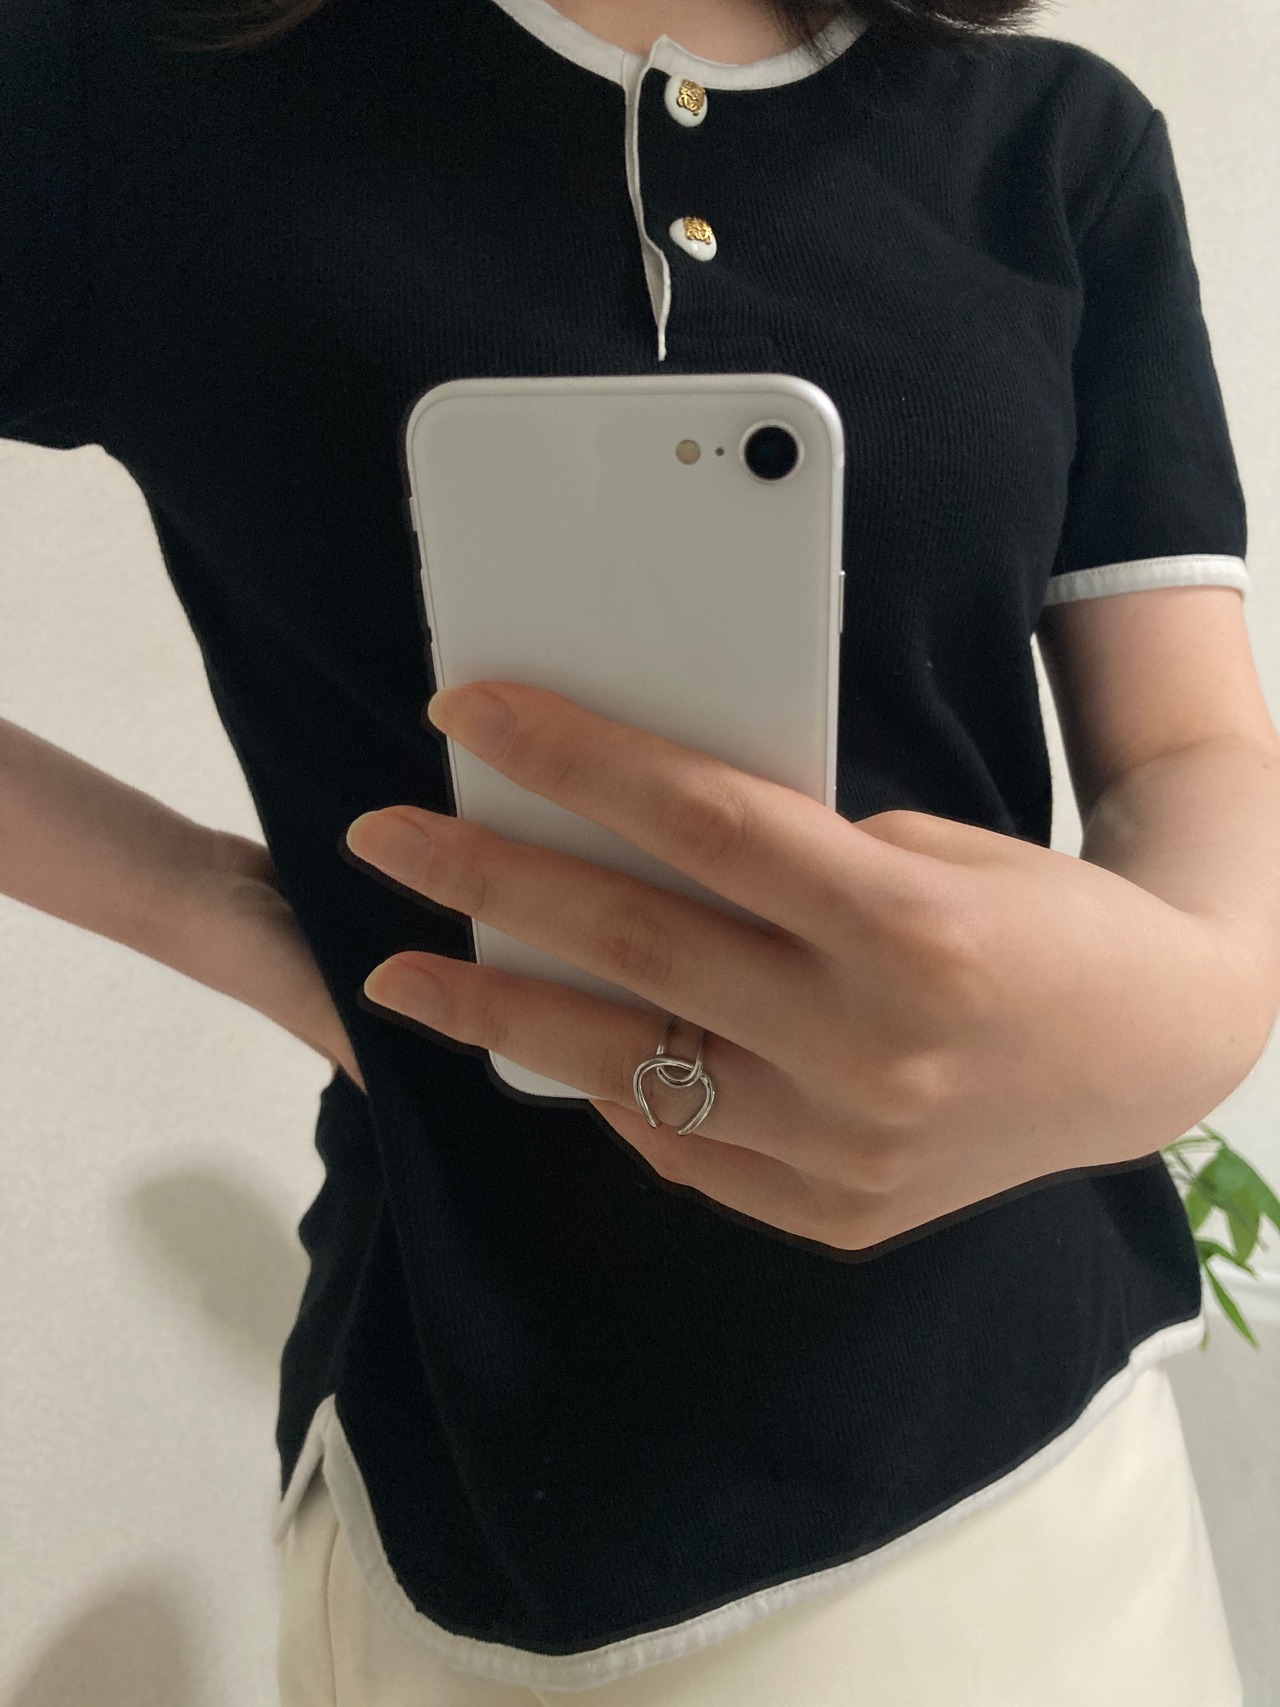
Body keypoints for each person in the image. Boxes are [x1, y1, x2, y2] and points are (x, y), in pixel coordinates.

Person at [2, 0, 1267, 1699]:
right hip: (512, 1501)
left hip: (1055, 1444)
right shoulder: (122, 86)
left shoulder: (1053, 143)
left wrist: (1206, 997)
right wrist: (224, 911)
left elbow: (1189, 743)